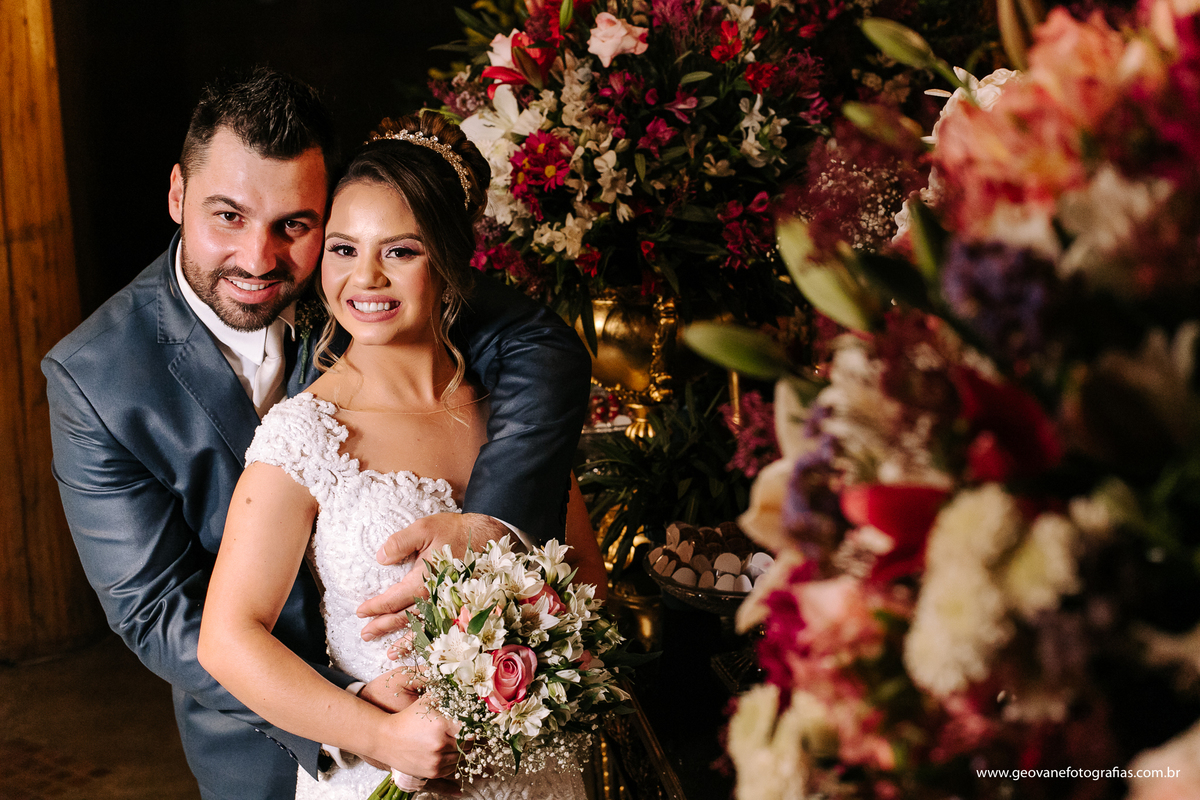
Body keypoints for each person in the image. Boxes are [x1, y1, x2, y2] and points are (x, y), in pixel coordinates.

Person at [42, 68, 592, 800]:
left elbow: (541, 342)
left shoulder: (372, 289)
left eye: (295, 226)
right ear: (177, 194)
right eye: (227, 216)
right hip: (265, 745)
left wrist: (495, 534)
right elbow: (155, 610)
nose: (259, 259)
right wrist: (359, 714)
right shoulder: (95, 378)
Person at [198, 113, 606, 800]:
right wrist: (382, 736)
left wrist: (528, 669)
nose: (366, 277)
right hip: (385, 771)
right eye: (343, 249)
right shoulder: (306, 434)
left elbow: (587, 582)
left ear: (447, 260)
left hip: (534, 772)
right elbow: (226, 640)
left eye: (401, 251)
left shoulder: (513, 416)